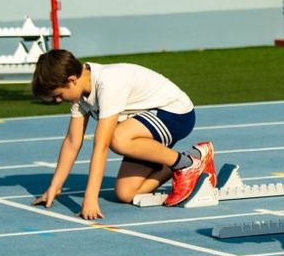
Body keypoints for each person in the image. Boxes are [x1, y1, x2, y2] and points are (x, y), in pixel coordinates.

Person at [30, 49, 214, 219]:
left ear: (71, 79)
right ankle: (191, 160)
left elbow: (101, 145)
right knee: (126, 193)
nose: (58, 100)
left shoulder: (107, 83)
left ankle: (187, 165)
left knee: (116, 138)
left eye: (59, 95)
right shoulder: (79, 94)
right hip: (146, 124)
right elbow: (72, 141)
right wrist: (54, 187)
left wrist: (90, 199)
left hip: (176, 114)